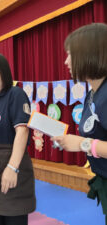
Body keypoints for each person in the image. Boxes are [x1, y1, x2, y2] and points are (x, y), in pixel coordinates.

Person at [51, 23, 107, 223]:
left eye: (70, 54)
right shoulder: (93, 92)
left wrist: (83, 144)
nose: (66, 61)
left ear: (90, 54)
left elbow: (90, 142)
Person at [0, 53, 36, 225]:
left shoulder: (16, 94)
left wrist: (12, 168)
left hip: (13, 164)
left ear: (4, 73)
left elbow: (22, 131)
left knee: (14, 217)